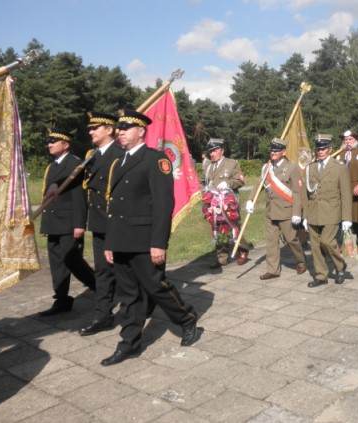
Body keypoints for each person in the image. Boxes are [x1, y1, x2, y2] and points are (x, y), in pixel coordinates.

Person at [102, 110, 200, 366]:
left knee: (156, 287)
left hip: (145, 240)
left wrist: (159, 243)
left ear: (141, 131)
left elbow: (162, 205)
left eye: (126, 127)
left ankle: (187, 319)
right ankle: (129, 344)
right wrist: (110, 243)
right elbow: (114, 207)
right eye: (118, 127)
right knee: (129, 296)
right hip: (122, 240)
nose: (120, 131)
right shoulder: (118, 162)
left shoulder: (156, 160)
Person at [38, 129, 96, 316]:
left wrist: (79, 224)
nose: (49, 144)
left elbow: (79, 196)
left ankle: (99, 288)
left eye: (54, 141)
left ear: (66, 144)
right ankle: (62, 299)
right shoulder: (51, 166)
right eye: (48, 142)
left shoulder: (76, 164)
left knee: (73, 260)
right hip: (53, 222)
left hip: (69, 223)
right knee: (56, 263)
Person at [79, 112, 124, 335]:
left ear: (109, 129)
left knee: (127, 271)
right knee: (103, 272)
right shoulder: (91, 155)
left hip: (118, 223)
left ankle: (137, 309)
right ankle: (102, 315)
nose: (90, 132)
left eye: (95, 127)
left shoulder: (121, 154)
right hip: (98, 223)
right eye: (90, 128)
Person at [245, 138, 306, 280]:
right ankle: (273, 270)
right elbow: (258, 185)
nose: (273, 153)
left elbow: (297, 192)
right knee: (271, 241)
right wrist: (250, 200)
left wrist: (297, 212)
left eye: (277, 150)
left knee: (291, 240)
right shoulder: (266, 168)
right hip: (270, 211)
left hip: (286, 211)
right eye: (272, 150)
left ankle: (301, 260)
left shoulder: (292, 167)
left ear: (283, 152)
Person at [304, 134, 351, 287]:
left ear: (330, 150)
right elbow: (306, 193)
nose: (320, 151)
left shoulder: (339, 168)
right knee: (315, 246)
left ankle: (340, 266)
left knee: (327, 241)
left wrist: (347, 218)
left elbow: (345, 194)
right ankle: (321, 275)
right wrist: (305, 215)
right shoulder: (310, 168)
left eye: (323, 148)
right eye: (318, 148)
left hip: (332, 211)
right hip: (313, 212)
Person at [202, 138, 251, 267]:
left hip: (228, 203)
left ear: (221, 150)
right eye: (210, 151)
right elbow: (206, 182)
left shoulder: (231, 163)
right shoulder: (208, 166)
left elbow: (240, 181)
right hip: (214, 204)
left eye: (214, 150)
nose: (211, 154)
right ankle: (221, 258)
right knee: (217, 228)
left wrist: (228, 183)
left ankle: (243, 250)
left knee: (233, 227)